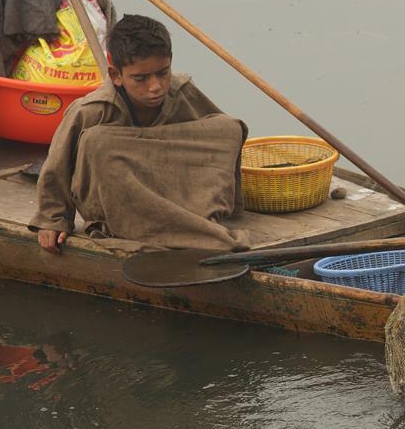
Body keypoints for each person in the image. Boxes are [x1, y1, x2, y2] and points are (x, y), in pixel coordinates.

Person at [29, 14, 247, 253]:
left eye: (163, 73)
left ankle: (180, 216)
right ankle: (148, 225)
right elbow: (56, 167)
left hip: (163, 189)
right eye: (140, 78)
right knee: (97, 142)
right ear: (116, 76)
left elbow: (208, 146)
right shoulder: (92, 110)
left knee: (228, 128)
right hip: (118, 201)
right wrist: (53, 219)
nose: (155, 87)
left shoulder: (181, 92)